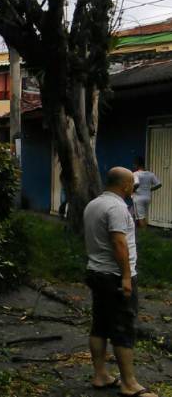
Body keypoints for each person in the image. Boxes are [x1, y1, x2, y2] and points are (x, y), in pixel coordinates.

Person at [83, 167, 158, 397]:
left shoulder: (94, 204)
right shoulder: (116, 208)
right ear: (125, 185)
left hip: (96, 271)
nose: (133, 188)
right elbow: (119, 243)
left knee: (100, 324)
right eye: (132, 185)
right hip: (115, 276)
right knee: (123, 327)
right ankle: (129, 383)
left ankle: (100, 375)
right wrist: (126, 276)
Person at [132, 156, 162, 228]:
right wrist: (150, 189)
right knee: (142, 216)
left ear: (137, 164)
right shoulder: (150, 174)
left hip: (138, 197)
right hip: (147, 197)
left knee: (141, 217)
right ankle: (140, 232)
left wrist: (132, 190)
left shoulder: (135, 174)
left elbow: (136, 183)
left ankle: (145, 235)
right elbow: (159, 184)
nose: (133, 166)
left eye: (134, 164)